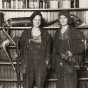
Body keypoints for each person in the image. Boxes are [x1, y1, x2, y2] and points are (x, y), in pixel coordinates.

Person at [18, 11, 51, 88]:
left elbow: (48, 50)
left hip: (41, 65)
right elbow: (20, 46)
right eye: (35, 19)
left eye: (39, 20)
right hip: (28, 64)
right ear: (32, 20)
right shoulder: (26, 33)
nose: (37, 21)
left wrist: (46, 63)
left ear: (41, 21)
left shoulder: (46, 34)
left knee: (40, 85)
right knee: (27, 86)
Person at [52, 11, 84, 88]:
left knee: (71, 85)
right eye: (61, 18)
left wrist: (72, 52)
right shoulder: (57, 32)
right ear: (59, 20)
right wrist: (54, 63)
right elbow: (54, 49)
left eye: (65, 18)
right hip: (59, 64)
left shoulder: (75, 32)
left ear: (68, 19)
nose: (62, 20)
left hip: (70, 64)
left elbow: (83, 46)